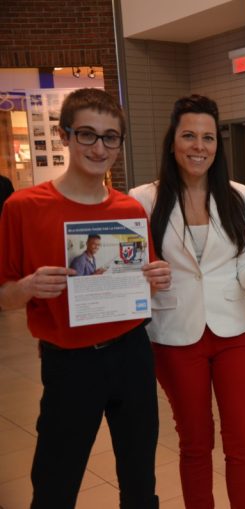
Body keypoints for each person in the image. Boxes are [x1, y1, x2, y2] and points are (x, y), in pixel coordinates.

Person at [130, 95, 245, 509]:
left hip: (236, 332)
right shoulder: (143, 200)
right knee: (195, 443)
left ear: (217, 144)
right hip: (175, 335)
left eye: (208, 137)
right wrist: (144, 279)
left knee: (243, 441)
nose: (199, 146)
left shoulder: (237, 196)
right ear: (172, 141)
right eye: (189, 135)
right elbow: (132, 270)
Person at [0, 88, 171, 509]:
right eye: (87, 135)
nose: (99, 147)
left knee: (139, 479)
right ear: (64, 136)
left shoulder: (129, 210)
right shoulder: (23, 207)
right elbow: (4, 296)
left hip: (131, 354)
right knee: (56, 484)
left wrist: (156, 277)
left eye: (110, 137)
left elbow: (139, 283)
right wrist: (26, 288)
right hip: (69, 363)